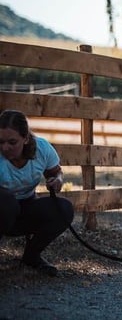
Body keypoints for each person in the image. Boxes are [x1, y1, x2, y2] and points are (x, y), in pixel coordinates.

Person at [0, 109, 74, 276]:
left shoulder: (41, 148)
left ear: (26, 138)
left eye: (12, 142)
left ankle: (32, 256)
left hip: (24, 209)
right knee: (6, 201)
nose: (5, 147)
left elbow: (56, 172)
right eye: (1, 142)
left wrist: (57, 180)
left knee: (64, 208)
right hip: (3, 210)